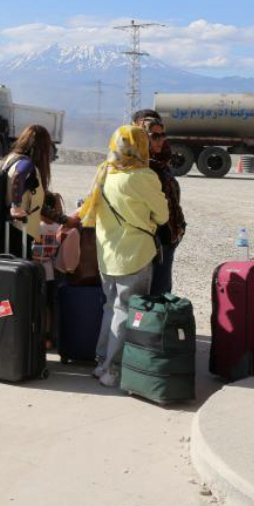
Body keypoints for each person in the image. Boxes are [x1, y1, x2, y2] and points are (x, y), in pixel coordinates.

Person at [78, 125, 169, 388]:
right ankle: (112, 370)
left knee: (111, 306)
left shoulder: (106, 172)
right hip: (135, 254)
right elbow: (162, 215)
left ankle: (101, 361)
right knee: (126, 310)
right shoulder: (142, 176)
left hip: (107, 253)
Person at [143, 118, 186, 296]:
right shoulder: (143, 166)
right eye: (154, 136)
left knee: (163, 289)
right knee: (154, 292)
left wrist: (179, 227)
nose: (160, 140)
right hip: (153, 237)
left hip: (169, 236)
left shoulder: (163, 163)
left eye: (163, 135)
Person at [2, 125, 57, 259]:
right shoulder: (26, 163)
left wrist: (63, 219)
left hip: (9, 227)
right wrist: (16, 206)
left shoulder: (12, 158)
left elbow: (37, 206)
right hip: (19, 230)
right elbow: (18, 175)